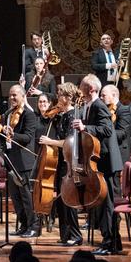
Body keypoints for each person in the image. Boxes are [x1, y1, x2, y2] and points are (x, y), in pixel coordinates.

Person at [72, 74, 122, 255]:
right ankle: (110, 242)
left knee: (106, 204)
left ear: (91, 89)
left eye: (82, 86)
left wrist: (86, 127)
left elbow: (108, 130)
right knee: (101, 204)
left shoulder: (99, 106)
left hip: (107, 163)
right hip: (97, 162)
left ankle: (111, 243)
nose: (79, 89)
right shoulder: (87, 105)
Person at [0, 84, 39, 237]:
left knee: (27, 197)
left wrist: (5, 130)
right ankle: (23, 225)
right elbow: (2, 139)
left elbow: (27, 138)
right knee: (16, 198)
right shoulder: (8, 114)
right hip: (10, 160)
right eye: (10, 95)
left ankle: (34, 227)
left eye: (15, 95)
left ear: (23, 96)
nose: (12, 98)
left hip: (24, 162)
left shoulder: (29, 115)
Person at [37, 82, 81, 245]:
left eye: (61, 95)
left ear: (69, 98)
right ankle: (65, 235)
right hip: (60, 162)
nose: (58, 98)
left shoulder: (73, 116)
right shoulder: (62, 115)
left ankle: (75, 235)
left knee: (69, 200)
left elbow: (69, 142)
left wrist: (50, 141)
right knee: (62, 201)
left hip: (69, 163)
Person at [100, 84, 131, 196]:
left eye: (103, 95)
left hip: (118, 152)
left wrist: (104, 132)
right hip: (107, 153)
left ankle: (115, 212)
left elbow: (123, 133)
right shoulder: (105, 110)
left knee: (114, 185)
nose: (101, 98)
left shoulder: (124, 110)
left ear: (113, 95)